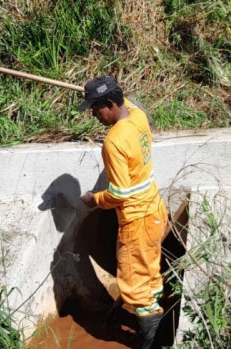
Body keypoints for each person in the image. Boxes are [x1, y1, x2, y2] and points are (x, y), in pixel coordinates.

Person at [79, 76, 166, 348]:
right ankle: (158, 322)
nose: (94, 115)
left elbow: (119, 193)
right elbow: (130, 102)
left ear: (109, 104)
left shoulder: (114, 142)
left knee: (133, 284)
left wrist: (95, 198)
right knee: (150, 273)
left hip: (135, 220)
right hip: (154, 210)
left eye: (96, 108)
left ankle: (149, 339)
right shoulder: (137, 117)